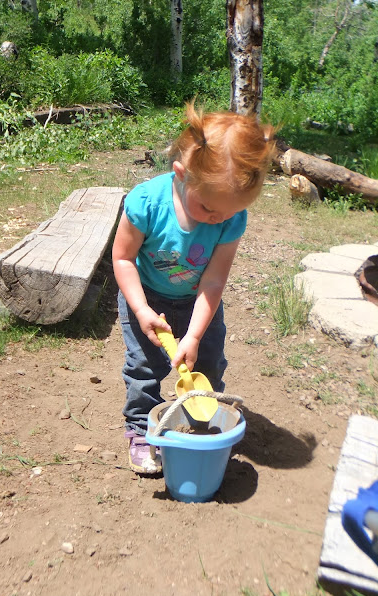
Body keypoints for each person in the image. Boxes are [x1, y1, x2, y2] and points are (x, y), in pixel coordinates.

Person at [112, 101, 276, 474]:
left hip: (198, 301)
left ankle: (201, 424)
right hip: (146, 296)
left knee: (207, 363)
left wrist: (195, 334)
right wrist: (141, 310)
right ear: (181, 174)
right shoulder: (147, 203)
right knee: (144, 367)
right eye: (208, 209)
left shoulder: (230, 217)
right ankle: (141, 429)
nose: (218, 219)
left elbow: (213, 279)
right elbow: (122, 259)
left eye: (229, 212)